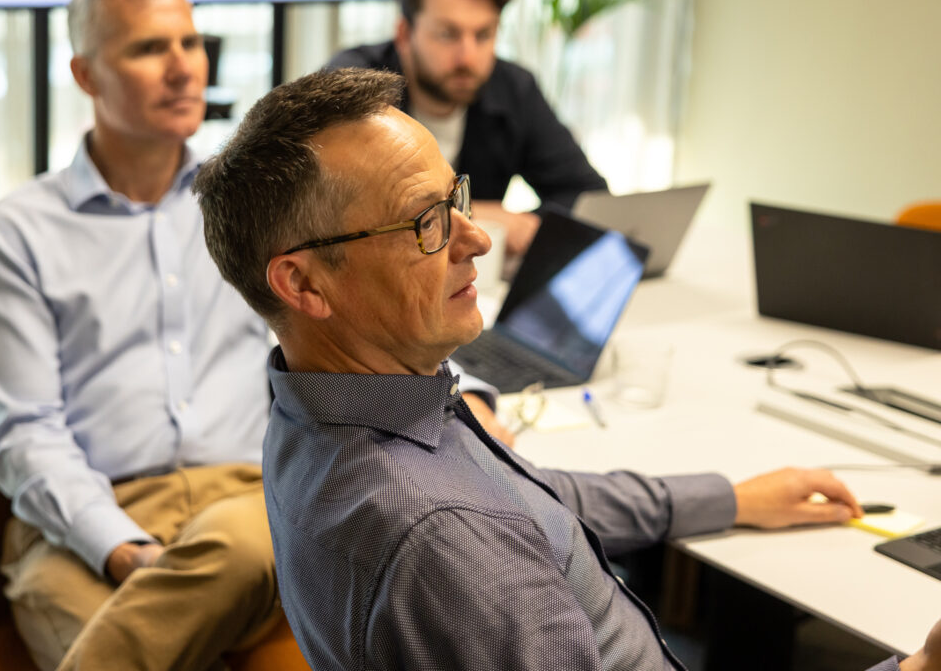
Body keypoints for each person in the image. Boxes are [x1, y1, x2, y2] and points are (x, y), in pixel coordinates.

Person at [193, 67, 938, 671]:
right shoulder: (455, 544)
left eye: (457, 199)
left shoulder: (316, 402)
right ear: (303, 284)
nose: (478, 239)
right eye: (427, 222)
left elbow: (524, 496)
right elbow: (486, 525)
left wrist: (728, 499)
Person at [0, 0, 282, 671]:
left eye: (191, 43)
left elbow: (348, 321)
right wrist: (120, 547)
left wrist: (461, 390)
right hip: (84, 523)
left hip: (244, 505)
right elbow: (23, 432)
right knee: (65, 603)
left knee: (243, 545)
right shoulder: (17, 234)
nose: (183, 67)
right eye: (147, 48)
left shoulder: (256, 207)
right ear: (86, 75)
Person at [326, 0, 607, 257]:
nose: (468, 57)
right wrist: (472, 215)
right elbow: (335, 209)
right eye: (448, 34)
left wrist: (523, 225)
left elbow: (588, 197)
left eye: (483, 35)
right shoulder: (354, 87)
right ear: (404, 34)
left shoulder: (514, 89)